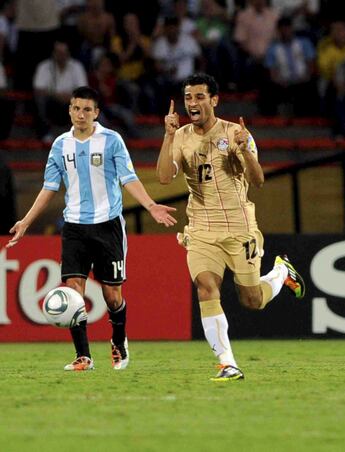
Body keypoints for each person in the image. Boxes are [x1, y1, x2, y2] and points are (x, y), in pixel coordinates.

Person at [6, 86, 177, 371]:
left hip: (107, 225)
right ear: (69, 110)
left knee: (112, 295)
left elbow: (128, 178)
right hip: (74, 227)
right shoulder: (61, 145)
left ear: (96, 112)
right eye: (76, 108)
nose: (81, 114)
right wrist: (25, 222)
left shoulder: (111, 140)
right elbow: (49, 187)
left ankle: (119, 340)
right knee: (73, 291)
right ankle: (83, 356)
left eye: (87, 109)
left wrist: (150, 205)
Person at [156, 73, 305, 382]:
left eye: (199, 97)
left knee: (252, 300)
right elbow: (163, 178)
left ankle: (280, 273)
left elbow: (258, 180)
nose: (192, 103)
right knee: (206, 286)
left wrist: (245, 150)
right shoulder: (181, 135)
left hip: (239, 228)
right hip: (200, 228)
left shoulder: (236, 132)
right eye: (188, 98)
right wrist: (168, 136)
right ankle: (227, 363)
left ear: (214, 100)